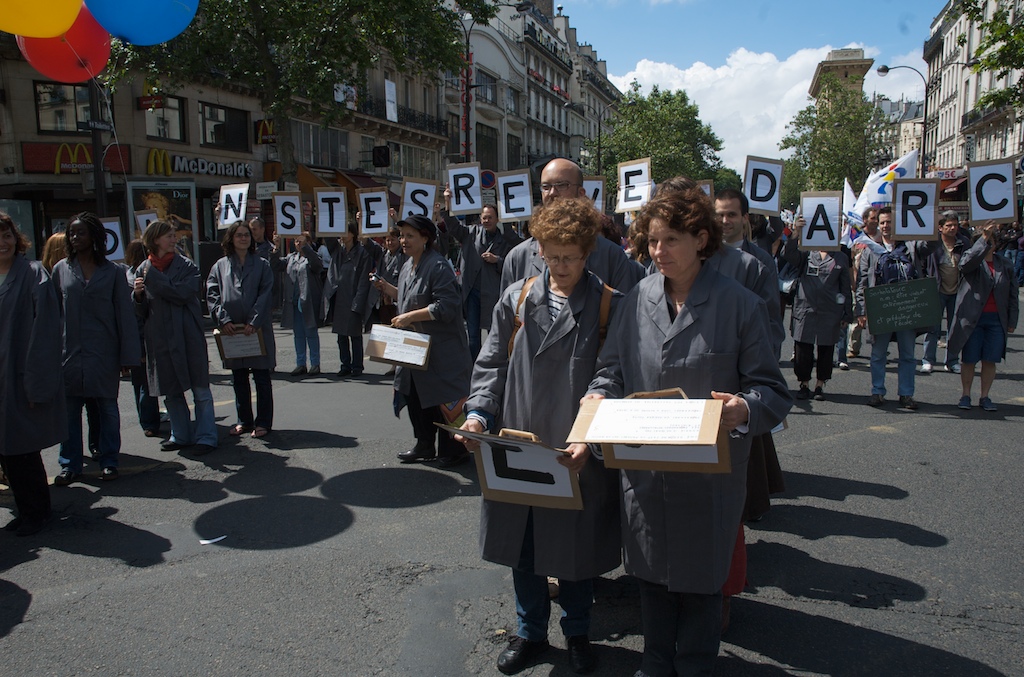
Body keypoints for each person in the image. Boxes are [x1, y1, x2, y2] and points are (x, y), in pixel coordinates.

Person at [585, 188, 791, 677]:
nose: (658, 252)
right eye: (652, 241)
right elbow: (610, 371)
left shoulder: (739, 304)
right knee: (651, 576)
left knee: (701, 581)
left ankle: (697, 664)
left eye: (670, 240)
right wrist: (598, 396)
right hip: (645, 468)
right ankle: (655, 663)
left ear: (701, 239)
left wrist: (744, 407)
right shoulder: (635, 300)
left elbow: (772, 390)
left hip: (708, 476)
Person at [457, 198, 620, 675]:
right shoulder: (516, 298)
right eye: (553, 256)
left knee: (574, 551)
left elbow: (609, 376)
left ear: (588, 253)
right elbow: (491, 366)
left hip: (573, 450)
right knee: (522, 547)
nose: (562, 266)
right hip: (517, 443)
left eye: (572, 256)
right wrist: (478, 419)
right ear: (540, 251)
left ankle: (578, 633)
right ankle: (530, 633)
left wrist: (587, 437)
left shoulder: (609, 304)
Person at [373, 214, 472, 468]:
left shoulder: (438, 266)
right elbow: (409, 297)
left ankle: (455, 450)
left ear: (425, 238)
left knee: (445, 400)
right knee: (416, 397)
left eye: (410, 236)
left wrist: (409, 316)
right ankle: (424, 444)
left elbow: (447, 306)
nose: (403, 241)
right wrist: (388, 289)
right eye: (402, 236)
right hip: (415, 350)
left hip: (441, 349)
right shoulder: (408, 265)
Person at [52, 211, 141, 484]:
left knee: (107, 410)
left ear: (95, 237)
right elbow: (52, 315)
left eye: (81, 232)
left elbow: (124, 316)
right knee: (69, 413)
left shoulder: (113, 272)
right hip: (69, 355)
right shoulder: (60, 270)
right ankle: (70, 464)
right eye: (72, 233)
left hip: (104, 354)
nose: (75, 237)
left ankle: (109, 459)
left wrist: (127, 356)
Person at [0, 212, 65, 536]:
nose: (2, 243)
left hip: (20, 372)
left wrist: (38, 378)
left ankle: (38, 512)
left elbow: (46, 330)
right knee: (6, 450)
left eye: (7, 235)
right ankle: (26, 509)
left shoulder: (32, 273)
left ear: (16, 238)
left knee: (22, 448)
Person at [134, 220, 217, 455]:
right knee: (171, 390)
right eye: (169, 236)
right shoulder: (142, 269)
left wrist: (154, 281)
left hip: (187, 334)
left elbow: (181, 294)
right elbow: (140, 312)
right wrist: (138, 296)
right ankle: (180, 435)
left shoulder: (187, 266)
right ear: (155, 239)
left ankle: (206, 437)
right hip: (159, 337)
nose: (174, 240)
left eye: (174, 236)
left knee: (200, 389)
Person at [500, 158, 642, 294]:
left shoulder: (611, 256)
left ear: (581, 193)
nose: (552, 193)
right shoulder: (518, 257)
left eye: (562, 185)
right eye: (546, 187)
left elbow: (624, 314)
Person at [207, 220, 277, 438]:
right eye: (239, 235)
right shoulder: (220, 266)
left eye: (247, 234)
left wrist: (254, 322)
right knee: (238, 379)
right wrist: (223, 319)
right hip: (232, 331)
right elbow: (212, 294)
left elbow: (266, 294)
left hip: (256, 330)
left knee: (262, 378)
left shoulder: (262, 264)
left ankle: (263, 422)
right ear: (231, 238)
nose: (244, 238)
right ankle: (244, 420)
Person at [855, 206, 921, 410]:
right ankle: (877, 391)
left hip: (906, 309)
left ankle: (906, 394)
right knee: (878, 354)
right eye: (882, 222)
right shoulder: (871, 250)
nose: (885, 226)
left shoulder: (910, 249)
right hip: (881, 309)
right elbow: (862, 282)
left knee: (908, 355)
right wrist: (862, 310)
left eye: (889, 222)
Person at [948, 222, 1019, 411]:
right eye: (985, 241)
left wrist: (1012, 320)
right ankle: (965, 395)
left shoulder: (1005, 263)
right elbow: (965, 264)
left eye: (991, 241)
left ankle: (985, 396)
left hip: (996, 319)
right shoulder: (971, 261)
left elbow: (1013, 294)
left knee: (990, 359)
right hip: (973, 319)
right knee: (969, 359)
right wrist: (983, 239)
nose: (989, 244)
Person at [783, 218, 853, 401]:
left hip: (830, 311)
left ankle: (820, 385)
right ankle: (803, 384)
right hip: (805, 309)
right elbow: (787, 254)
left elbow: (845, 287)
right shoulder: (806, 253)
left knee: (826, 349)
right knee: (802, 349)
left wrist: (847, 312)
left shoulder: (841, 257)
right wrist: (795, 233)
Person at [441, 200, 514, 358]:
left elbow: (511, 263)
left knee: (494, 333)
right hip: (472, 291)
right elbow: (453, 227)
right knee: (472, 336)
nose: (486, 221)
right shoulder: (471, 233)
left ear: (497, 219)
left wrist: (498, 260)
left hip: (493, 293)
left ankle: (494, 364)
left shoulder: (504, 239)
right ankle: (473, 367)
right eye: (484, 217)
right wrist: (447, 204)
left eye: (490, 217)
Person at [920, 211, 972, 374]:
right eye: (948, 225)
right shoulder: (932, 244)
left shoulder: (963, 243)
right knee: (932, 328)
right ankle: (928, 360)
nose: (952, 228)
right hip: (937, 291)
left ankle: (952, 361)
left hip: (958, 291)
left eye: (955, 225)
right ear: (940, 228)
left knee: (955, 328)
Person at [271, 231, 324, 376]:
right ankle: (300, 363)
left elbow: (317, 266)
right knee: (298, 334)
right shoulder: (291, 258)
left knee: (311, 333)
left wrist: (306, 248)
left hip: (308, 302)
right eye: (296, 241)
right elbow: (275, 265)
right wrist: (276, 247)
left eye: (301, 240)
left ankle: (315, 363)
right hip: (294, 302)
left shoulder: (312, 257)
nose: (298, 243)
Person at [323, 226, 372, 377]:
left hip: (353, 296)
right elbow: (329, 239)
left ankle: (357, 366)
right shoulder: (338, 251)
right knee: (341, 336)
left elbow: (364, 280)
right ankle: (345, 364)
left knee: (355, 335)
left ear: (353, 234)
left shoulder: (362, 253)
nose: (342, 236)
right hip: (339, 298)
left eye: (345, 232)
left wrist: (358, 302)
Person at [124, 239, 161, 436]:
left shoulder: (125, 276)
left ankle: (145, 420)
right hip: (143, 338)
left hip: (130, 339)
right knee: (147, 383)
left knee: (138, 383)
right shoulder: (143, 280)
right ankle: (150, 422)